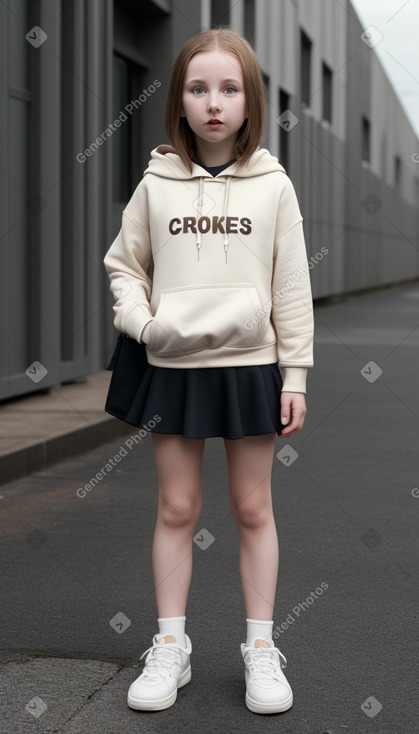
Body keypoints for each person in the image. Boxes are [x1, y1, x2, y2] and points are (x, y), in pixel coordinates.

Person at [103, 27, 314, 716]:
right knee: (176, 507)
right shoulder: (155, 183)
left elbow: (290, 289)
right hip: (173, 362)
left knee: (253, 508)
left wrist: (295, 376)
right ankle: (171, 646)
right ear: (180, 103)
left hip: (250, 365)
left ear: (249, 101)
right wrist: (142, 323)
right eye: (198, 89)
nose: (213, 103)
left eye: (228, 89)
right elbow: (124, 266)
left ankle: (259, 649)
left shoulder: (273, 186)